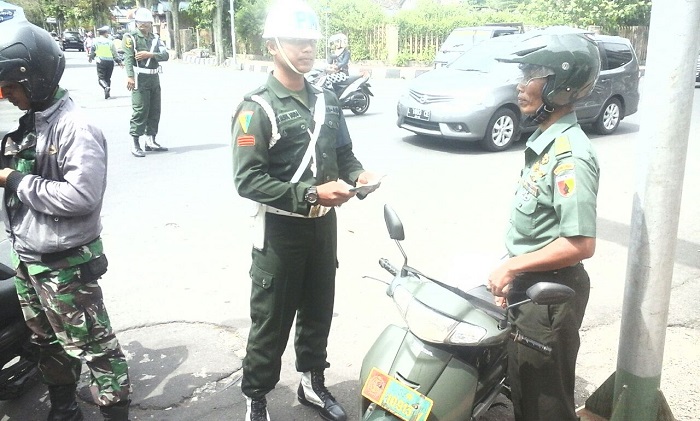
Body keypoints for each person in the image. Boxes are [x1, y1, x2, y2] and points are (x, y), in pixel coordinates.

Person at [231, 1, 381, 420]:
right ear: (272, 45)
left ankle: (312, 382)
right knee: (271, 322)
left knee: (318, 307)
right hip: (280, 231)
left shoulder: (327, 100)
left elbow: (344, 154)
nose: (307, 49)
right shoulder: (257, 108)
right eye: (297, 41)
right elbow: (248, 180)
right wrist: (312, 195)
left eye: (311, 41)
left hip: (323, 228)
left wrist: (360, 175)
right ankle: (256, 398)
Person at [0, 20, 131, 421]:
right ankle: (63, 407)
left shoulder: (75, 127)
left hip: (65, 266)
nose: (6, 95)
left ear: (36, 78)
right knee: (45, 343)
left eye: (11, 86)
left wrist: (16, 180)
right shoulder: (30, 124)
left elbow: (81, 196)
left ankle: (115, 413)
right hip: (29, 260)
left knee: (96, 349)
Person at [487, 28, 601, 421]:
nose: (520, 86)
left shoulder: (570, 155)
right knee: (524, 390)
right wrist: (512, 273)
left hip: (551, 295)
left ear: (561, 85)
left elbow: (581, 243)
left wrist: (512, 267)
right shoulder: (545, 142)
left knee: (545, 405)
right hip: (531, 285)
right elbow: (537, 226)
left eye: (531, 74)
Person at [123, 7, 169, 157]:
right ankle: (135, 142)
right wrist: (129, 76)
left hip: (154, 78)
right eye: (140, 23)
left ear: (150, 23)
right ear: (136, 23)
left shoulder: (155, 38)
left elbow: (165, 55)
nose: (144, 26)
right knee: (140, 110)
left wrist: (151, 54)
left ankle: (150, 140)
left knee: (155, 110)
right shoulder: (130, 37)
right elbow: (128, 58)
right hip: (139, 79)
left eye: (146, 23)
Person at [89, 25, 123, 99]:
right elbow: (114, 53)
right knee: (108, 78)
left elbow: (92, 51)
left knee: (101, 78)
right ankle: (107, 94)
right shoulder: (110, 42)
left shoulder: (95, 41)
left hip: (101, 61)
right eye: (107, 33)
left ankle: (106, 87)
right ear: (105, 33)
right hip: (110, 62)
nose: (107, 34)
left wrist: (91, 58)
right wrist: (119, 61)